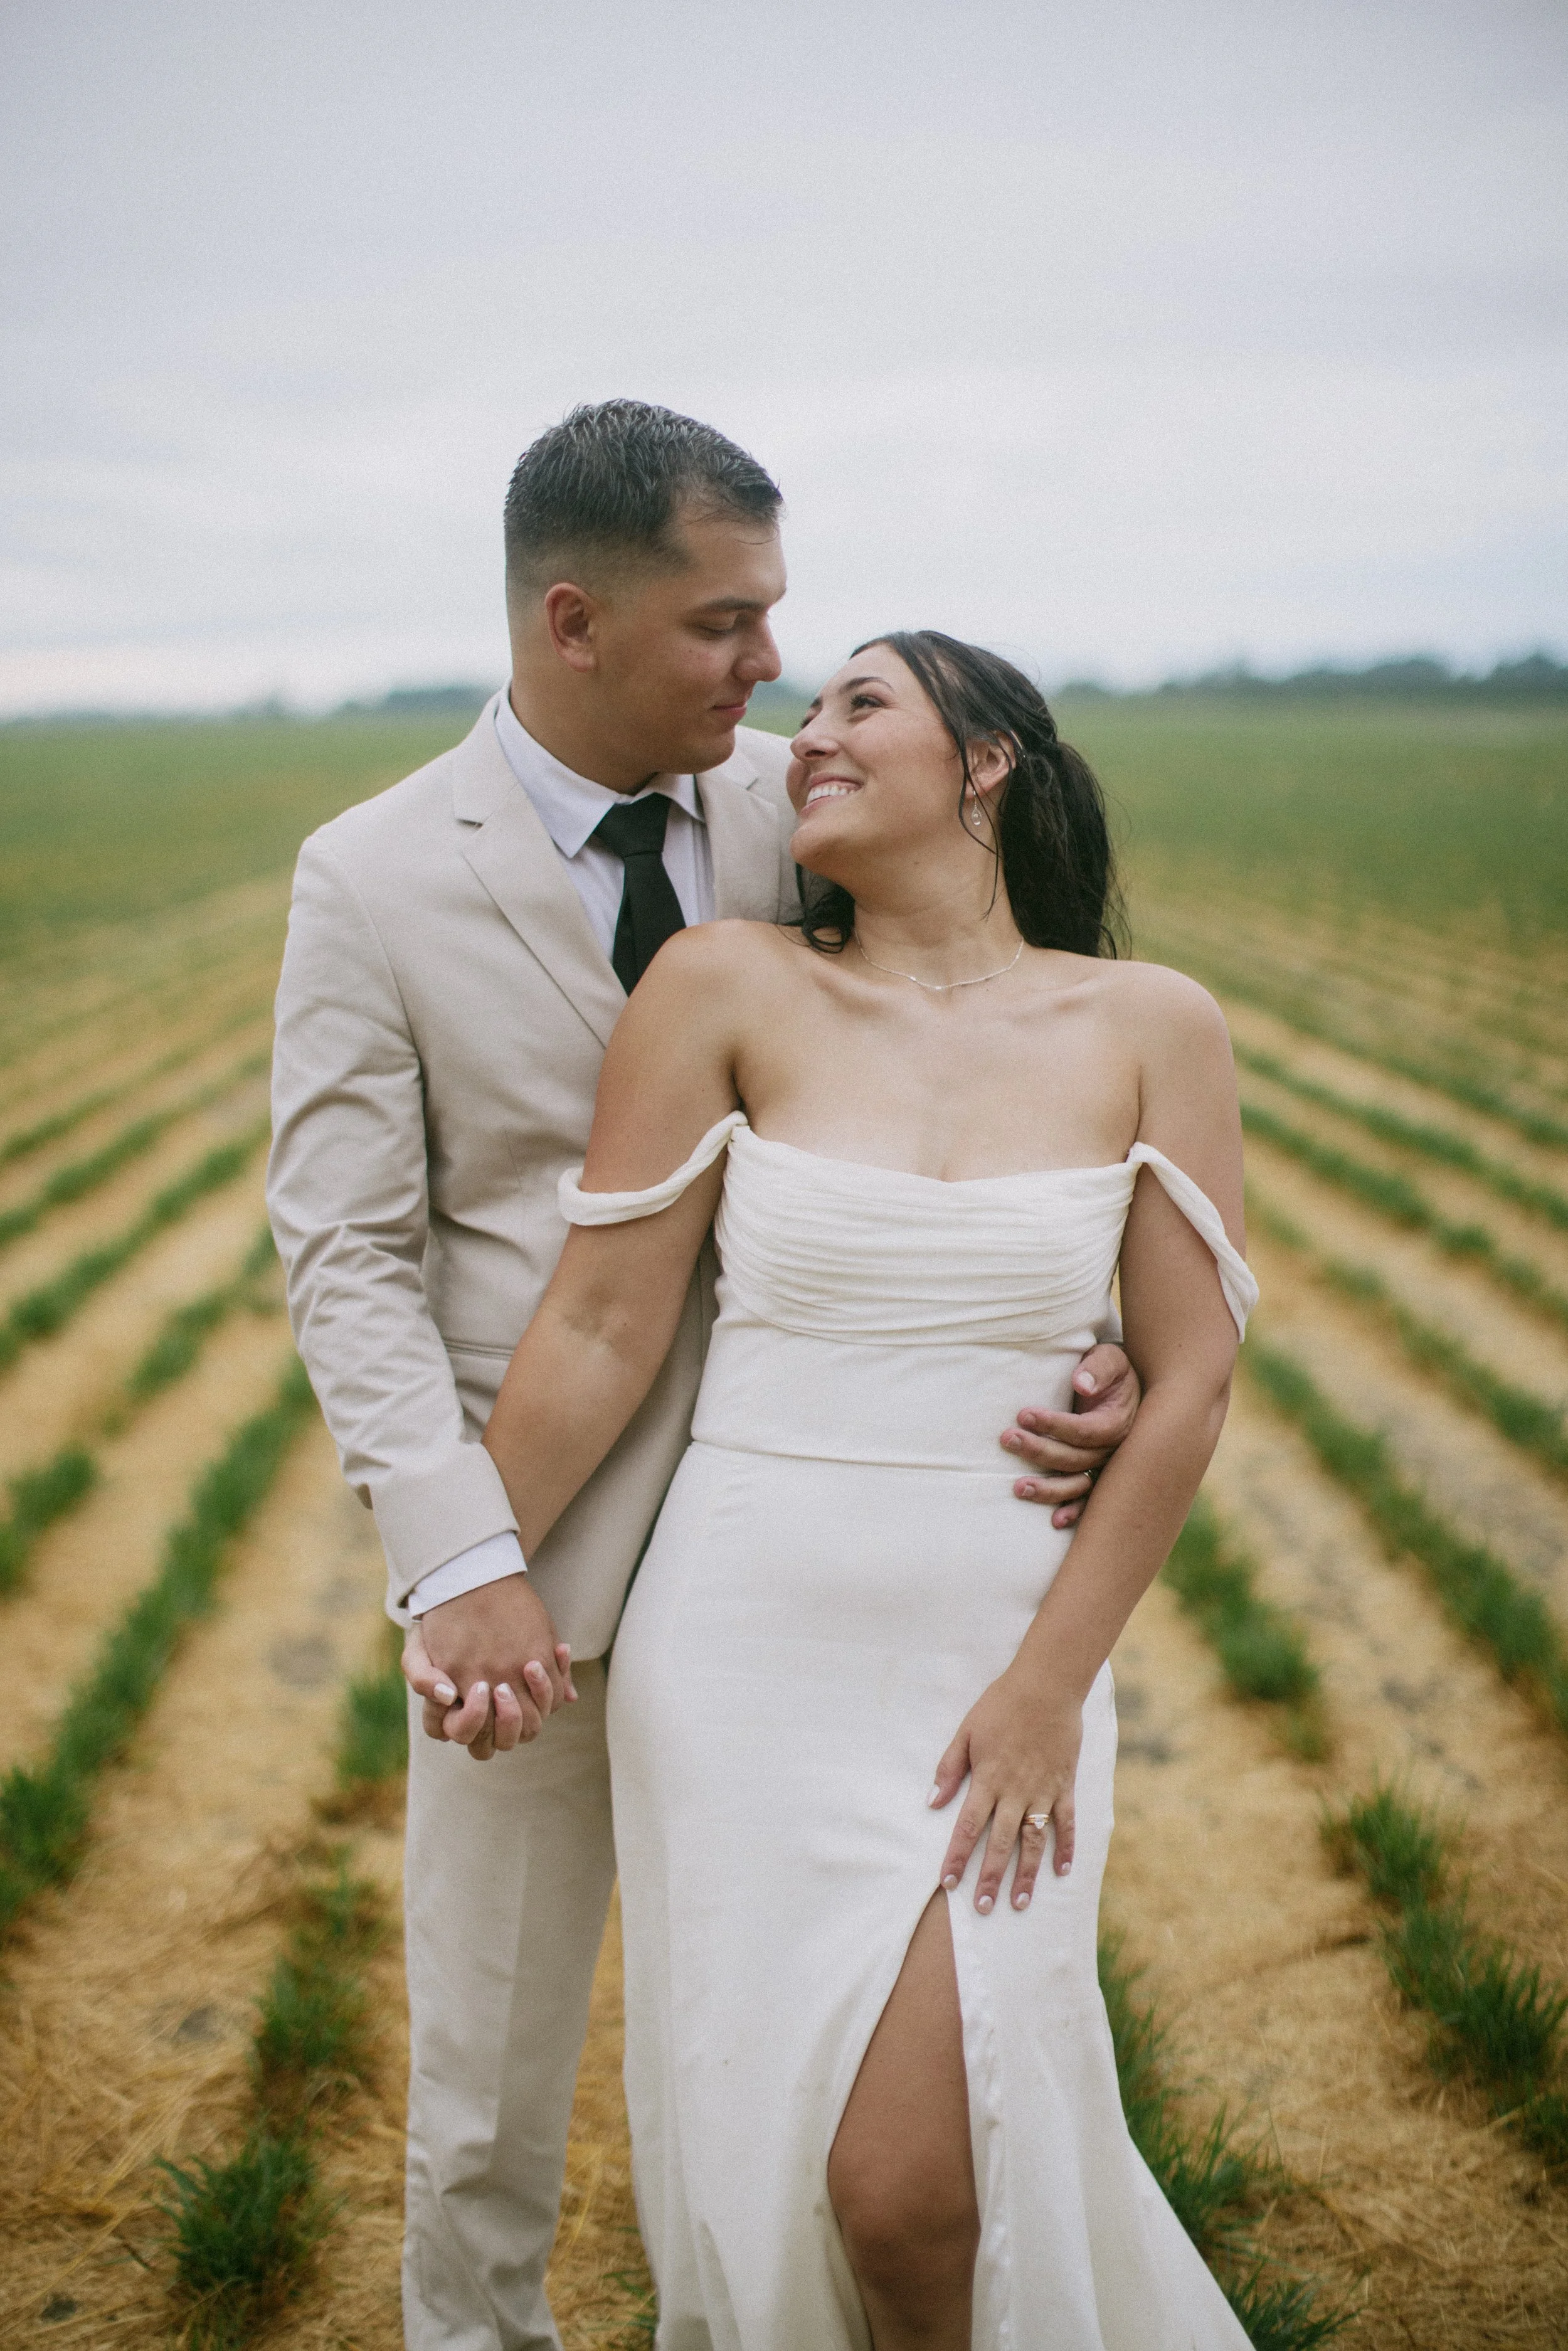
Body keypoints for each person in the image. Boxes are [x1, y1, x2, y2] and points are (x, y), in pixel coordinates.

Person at [268, 403, 1141, 2350]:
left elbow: (988, 1090)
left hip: (811, 1548)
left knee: (778, 2073)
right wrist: (458, 1555)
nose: (768, 674)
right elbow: (348, 1254)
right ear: (572, 620)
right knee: (491, 2085)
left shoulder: (810, 808)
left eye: (778, 629)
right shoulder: (372, 876)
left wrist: (1069, 1344)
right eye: (721, 628)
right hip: (538, 1550)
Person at [404, 626, 1260, 2350]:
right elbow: (595, 1325)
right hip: (739, 1647)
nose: (807, 735)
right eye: (807, 714)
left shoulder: (1152, 1022)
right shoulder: (723, 984)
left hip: (1000, 1644)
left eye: (861, 701)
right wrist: (458, 1565)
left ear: (988, 755)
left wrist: (1045, 1688)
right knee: (783, 2148)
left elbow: (1188, 1381)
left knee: (915, 2184)